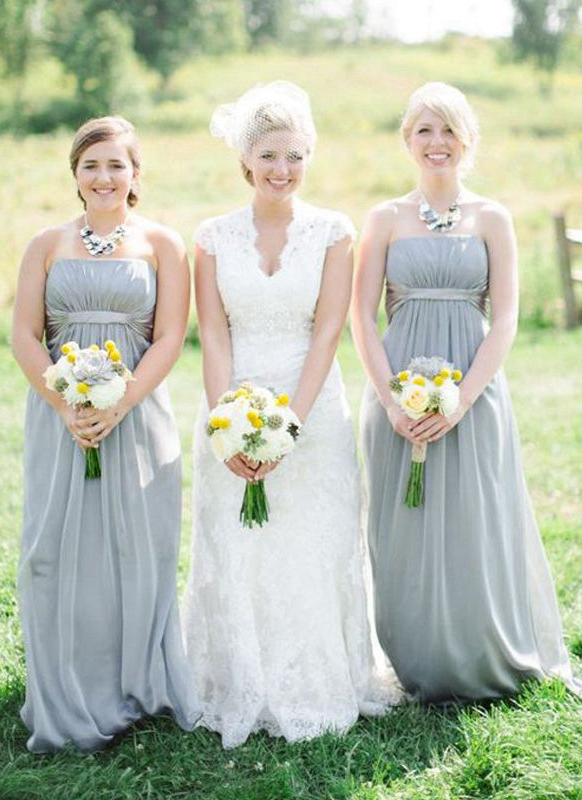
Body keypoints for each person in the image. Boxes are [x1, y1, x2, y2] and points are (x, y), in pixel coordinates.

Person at [181, 81, 401, 749]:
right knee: (240, 546)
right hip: (232, 398)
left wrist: (288, 429)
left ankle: (319, 680)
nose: (283, 170)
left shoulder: (334, 232)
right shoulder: (212, 237)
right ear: (246, 160)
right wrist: (227, 426)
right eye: (269, 156)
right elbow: (213, 334)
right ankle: (240, 676)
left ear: (311, 157)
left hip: (312, 408)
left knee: (314, 541)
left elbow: (328, 331)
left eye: (296, 156)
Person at [352, 82, 579, 703]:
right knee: (404, 524)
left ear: (467, 139)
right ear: (407, 140)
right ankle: (417, 655)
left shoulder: (492, 218)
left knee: (477, 519)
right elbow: (362, 318)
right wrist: (392, 402)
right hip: (397, 391)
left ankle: (480, 649)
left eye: (448, 130)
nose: (436, 142)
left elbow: (505, 318)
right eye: (424, 130)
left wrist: (463, 398)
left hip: (474, 392)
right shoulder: (383, 219)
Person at [11, 116, 201, 752]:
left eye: (117, 164)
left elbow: (170, 336)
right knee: (53, 550)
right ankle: (65, 684)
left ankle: (135, 682)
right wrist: (67, 404)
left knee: (135, 548)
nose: (104, 177)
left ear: (136, 174)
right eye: (91, 165)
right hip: (59, 416)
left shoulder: (164, 245)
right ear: (75, 175)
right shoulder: (44, 244)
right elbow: (25, 336)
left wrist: (118, 406)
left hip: (138, 415)